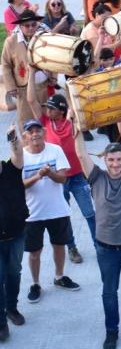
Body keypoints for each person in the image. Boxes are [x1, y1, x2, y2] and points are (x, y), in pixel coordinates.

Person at [73, 123, 121, 349]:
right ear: (104, 161)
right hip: (107, 248)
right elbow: (81, 154)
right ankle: (111, 331)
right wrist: (76, 126)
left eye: (119, 159)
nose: (115, 164)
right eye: (111, 160)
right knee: (109, 292)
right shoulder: (96, 177)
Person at [20, 118, 81, 305]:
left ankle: (59, 277)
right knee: (34, 252)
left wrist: (50, 174)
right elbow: (19, 186)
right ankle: (35, 284)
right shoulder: (20, 157)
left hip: (57, 211)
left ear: (44, 133)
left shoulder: (55, 150)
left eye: (38, 130)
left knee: (59, 246)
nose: (35, 134)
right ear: (25, 136)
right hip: (32, 214)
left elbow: (63, 178)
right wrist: (38, 175)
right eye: (31, 132)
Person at [33, 93, 96, 262]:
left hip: (77, 177)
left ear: (61, 111)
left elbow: (79, 104)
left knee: (89, 213)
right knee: (63, 216)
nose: (47, 110)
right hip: (58, 179)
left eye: (51, 108)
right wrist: (30, 77)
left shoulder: (73, 123)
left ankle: (100, 246)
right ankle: (72, 248)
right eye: (47, 107)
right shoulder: (45, 123)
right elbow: (32, 100)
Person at [0, 126, 26, 342]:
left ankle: (12, 308)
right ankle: (1, 323)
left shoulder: (12, 168)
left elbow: (18, 152)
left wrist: (14, 139)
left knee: (14, 273)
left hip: (16, 235)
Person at [2, 11, 50, 125]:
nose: (31, 28)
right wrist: (11, 87)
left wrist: (53, 76)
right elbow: (6, 65)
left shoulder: (44, 38)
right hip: (23, 88)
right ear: (20, 26)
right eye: (27, 25)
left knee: (45, 120)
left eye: (34, 24)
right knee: (26, 121)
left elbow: (52, 57)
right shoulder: (11, 42)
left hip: (43, 86)